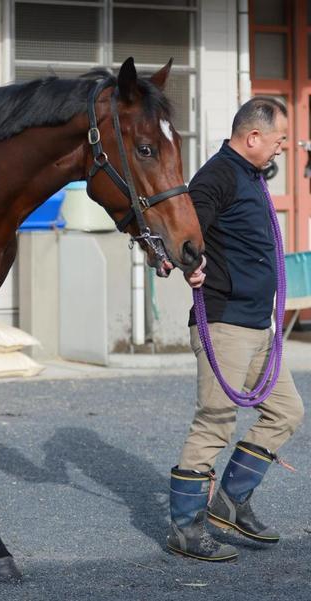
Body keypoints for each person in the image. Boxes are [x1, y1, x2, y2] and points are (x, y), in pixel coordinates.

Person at [167, 97, 305, 561]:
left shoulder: (250, 175)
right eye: (279, 139)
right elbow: (183, 234)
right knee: (214, 424)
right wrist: (191, 265)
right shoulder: (216, 176)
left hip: (256, 326)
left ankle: (229, 501)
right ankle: (185, 530)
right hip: (224, 325)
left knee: (286, 410)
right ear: (253, 137)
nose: (283, 147)